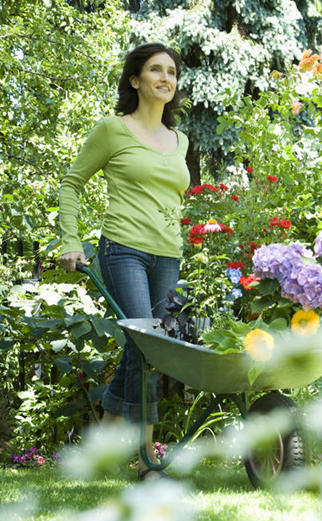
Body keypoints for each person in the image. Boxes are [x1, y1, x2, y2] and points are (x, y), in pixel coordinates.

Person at [58, 42, 190, 479]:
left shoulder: (180, 140)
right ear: (135, 80)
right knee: (147, 350)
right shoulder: (113, 129)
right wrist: (71, 240)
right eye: (155, 69)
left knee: (144, 350)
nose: (165, 78)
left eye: (171, 71)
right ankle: (149, 461)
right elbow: (72, 183)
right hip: (123, 250)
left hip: (168, 256)